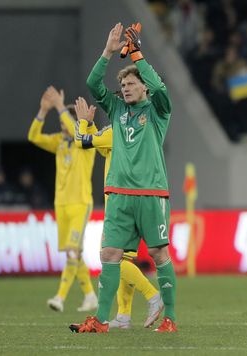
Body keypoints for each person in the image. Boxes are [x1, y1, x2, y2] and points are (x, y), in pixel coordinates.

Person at [70, 22, 176, 333]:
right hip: (117, 193)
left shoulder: (158, 112)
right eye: (124, 84)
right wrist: (107, 52)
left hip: (150, 194)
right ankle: (101, 321)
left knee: (158, 253)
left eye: (132, 83)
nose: (126, 87)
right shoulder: (117, 110)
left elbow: (161, 88)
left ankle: (169, 318)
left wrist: (137, 54)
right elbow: (92, 83)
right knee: (109, 254)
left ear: (143, 87)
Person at [73, 96, 164, 329]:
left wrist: (83, 123)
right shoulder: (129, 130)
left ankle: (152, 295)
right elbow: (106, 150)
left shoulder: (118, 130)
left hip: (118, 202)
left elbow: (81, 141)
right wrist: (94, 126)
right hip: (134, 198)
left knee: (110, 257)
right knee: (123, 259)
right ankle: (123, 316)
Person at [27, 86, 98, 313]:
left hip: (80, 203)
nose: (63, 128)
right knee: (73, 252)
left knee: (72, 251)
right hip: (62, 204)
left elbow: (73, 128)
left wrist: (60, 106)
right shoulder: (59, 141)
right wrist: (43, 111)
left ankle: (60, 297)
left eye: (67, 124)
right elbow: (33, 136)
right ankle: (90, 296)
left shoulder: (87, 142)